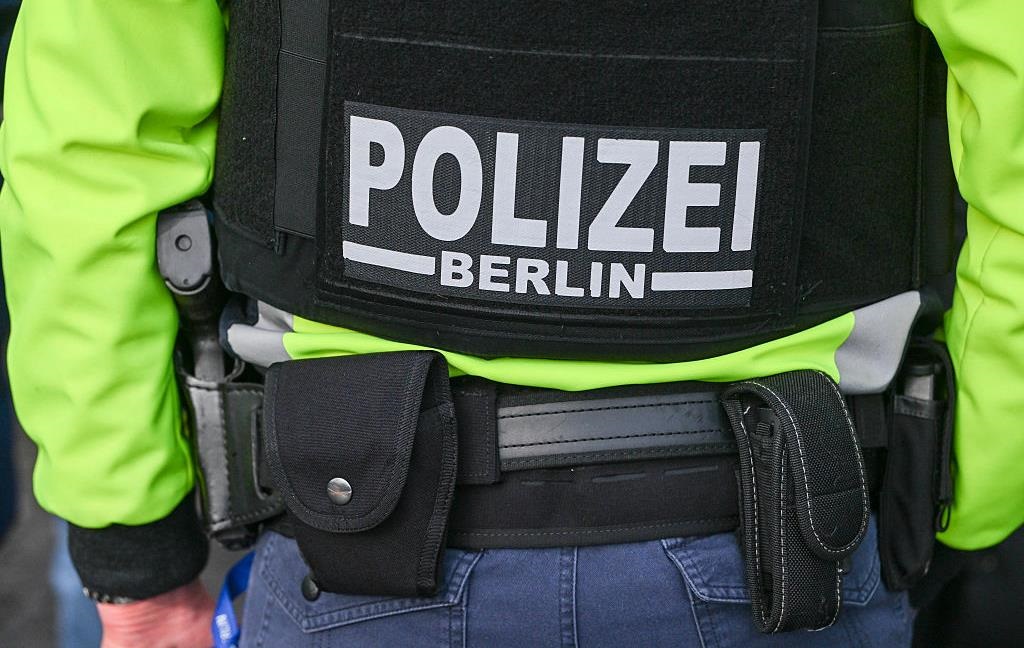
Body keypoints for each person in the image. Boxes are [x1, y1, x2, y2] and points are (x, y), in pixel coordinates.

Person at [0, 2, 1021, 647]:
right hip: (787, 541)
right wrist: (960, 503)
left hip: (353, 533)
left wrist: (134, 553)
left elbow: (88, 157)